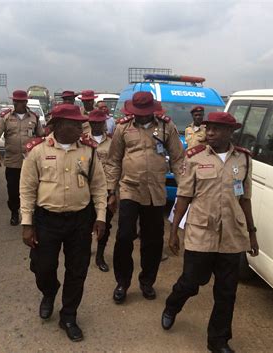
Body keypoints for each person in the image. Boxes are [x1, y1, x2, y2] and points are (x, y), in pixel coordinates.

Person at [161, 112, 259, 353]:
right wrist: (173, 232)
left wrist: (252, 232)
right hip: (201, 233)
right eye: (208, 128)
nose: (210, 133)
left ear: (230, 132)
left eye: (216, 129)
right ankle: (172, 306)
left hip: (231, 237)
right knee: (191, 283)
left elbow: (245, 199)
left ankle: (218, 340)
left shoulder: (244, 159)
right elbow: (184, 196)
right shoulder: (195, 157)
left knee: (227, 293)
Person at [20, 104, 107, 342]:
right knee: (43, 267)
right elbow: (27, 189)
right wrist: (27, 223)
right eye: (74, 123)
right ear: (57, 125)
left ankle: (68, 316)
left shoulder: (88, 151)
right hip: (47, 219)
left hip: (80, 219)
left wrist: (100, 217)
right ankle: (49, 292)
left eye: (81, 123)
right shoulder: (37, 151)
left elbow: (99, 186)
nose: (80, 128)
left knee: (77, 271)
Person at [106, 92, 185, 304]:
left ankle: (147, 281)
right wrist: (111, 191)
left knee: (153, 240)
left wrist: (184, 187)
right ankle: (122, 282)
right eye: (137, 113)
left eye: (145, 113)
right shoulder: (123, 127)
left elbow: (178, 159)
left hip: (156, 191)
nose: (141, 117)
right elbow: (114, 161)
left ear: (153, 110)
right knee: (124, 236)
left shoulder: (167, 127)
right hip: (130, 188)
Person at [0, 90, 44, 226]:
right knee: (13, 191)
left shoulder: (34, 118)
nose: (17, 103)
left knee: (33, 188)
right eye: (15, 101)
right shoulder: (5, 117)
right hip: (13, 162)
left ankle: (32, 214)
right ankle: (14, 212)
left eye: (20, 101)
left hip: (31, 162)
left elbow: (41, 137)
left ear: (25, 102)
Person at [88, 109, 114, 272]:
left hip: (106, 190)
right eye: (96, 122)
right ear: (90, 123)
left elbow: (117, 166)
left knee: (105, 223)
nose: (100, 124)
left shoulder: (112, 142)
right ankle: (84, 250)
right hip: (86, 190)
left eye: (102, 122)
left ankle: (100, 256)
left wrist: (114, 192)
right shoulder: (82, 141)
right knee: (85, 223)